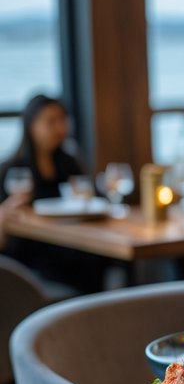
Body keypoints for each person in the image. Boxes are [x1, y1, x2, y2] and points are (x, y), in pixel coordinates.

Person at [0, 94, 106, 293]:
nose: (58, 128)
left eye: (62, 120)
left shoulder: (68, 162)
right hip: (30, 251)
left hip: (68, 240)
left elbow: (94, 196)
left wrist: (88, 196)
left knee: (97, 259)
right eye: (50, 121)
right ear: (31, 125)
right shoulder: (13, 169)